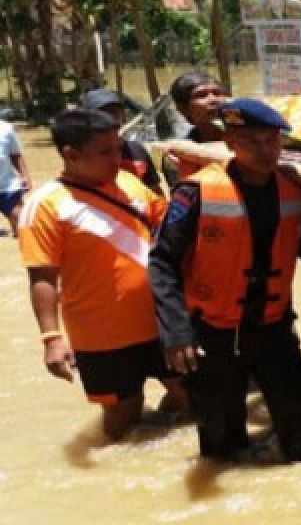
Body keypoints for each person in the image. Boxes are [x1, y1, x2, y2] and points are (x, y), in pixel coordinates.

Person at [149, 98, 301, 463]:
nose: (264, 151)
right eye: (250, 142)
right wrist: (176, 332)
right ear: (229, 144)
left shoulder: (294, 192)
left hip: (273, 329)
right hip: (212, 334)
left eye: (271, 141)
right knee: (221, 438)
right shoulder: (196, 191)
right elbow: (162, 261)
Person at [18, 109, 187, 439]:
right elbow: (42, 278)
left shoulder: (128, 183)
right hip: (103, 335)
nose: (117, 159)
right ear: (71, 154)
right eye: (105, 152)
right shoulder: (45, 206)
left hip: (162, 320)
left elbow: (170, 228)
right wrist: (52, 339)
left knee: (190, 395)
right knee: (123, 411)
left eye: (119, 149)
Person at [80, 88, 164, 195]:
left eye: (115, 112)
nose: (110, 118)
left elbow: (155, 190)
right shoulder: (81, 155)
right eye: (103, 113)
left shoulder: (137, 150)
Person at [162, 71, 226, 187]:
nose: (214, 100)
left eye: (217, 93)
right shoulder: (177, 154)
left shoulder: (251, 139)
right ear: (183, 108)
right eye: (201, 95)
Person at [0, 116, 32, 237]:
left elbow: (16, 155)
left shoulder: (6, 128)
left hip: (6, 187)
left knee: (23, 230)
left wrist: (25, 176)